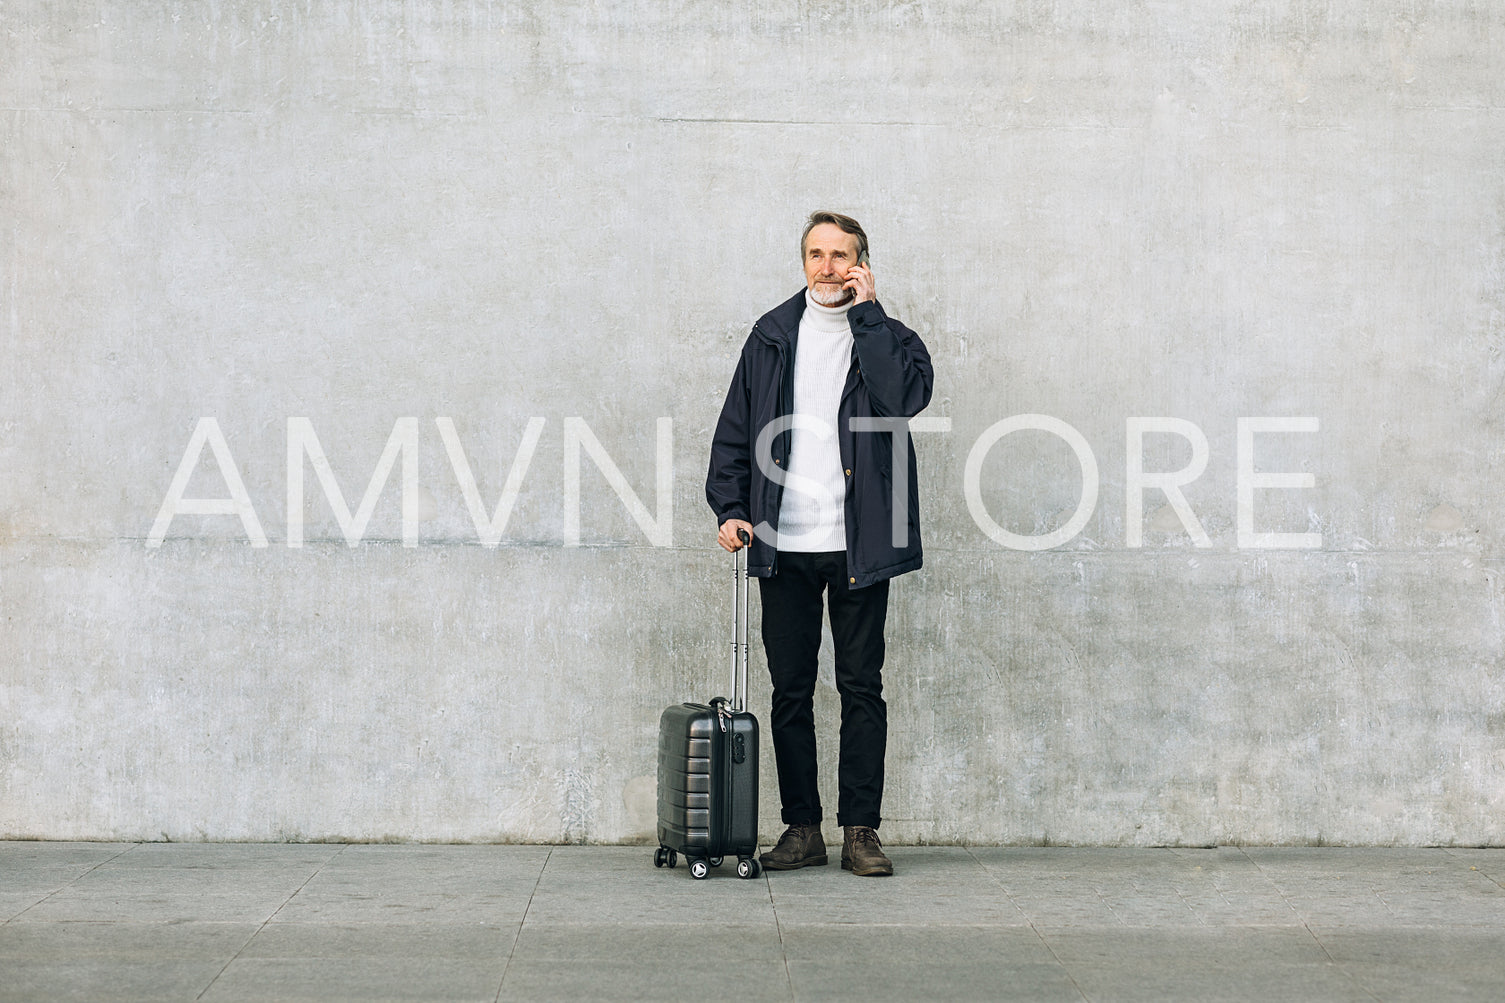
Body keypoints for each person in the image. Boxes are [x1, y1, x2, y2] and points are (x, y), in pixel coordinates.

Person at [705, 210, 934, 877]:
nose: (827, 267)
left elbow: (901, 400)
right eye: (816, 254)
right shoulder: (772, 336)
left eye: (841, 255)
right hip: (784, 540)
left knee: (861, 686)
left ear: (861, 264)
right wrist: (731, 506)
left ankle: (860, 830)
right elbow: (734, 427)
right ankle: (801, 828)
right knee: (790, 690)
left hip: (860, 543)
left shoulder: (890, 339)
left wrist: (868, 316)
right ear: (802, 260)